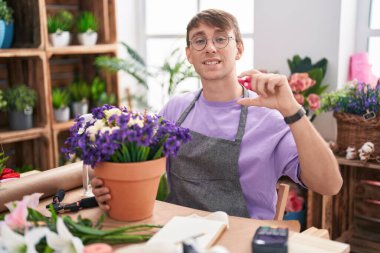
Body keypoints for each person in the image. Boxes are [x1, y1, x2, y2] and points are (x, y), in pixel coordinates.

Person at [91, 9, 342, 219]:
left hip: (242, 238)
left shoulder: (269, 117)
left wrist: (292, 110)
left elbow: (329, 185)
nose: (210, 47)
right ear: (189, 54)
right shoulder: (175, 108)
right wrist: (108, 186)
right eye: (199, 40)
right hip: (178, 232)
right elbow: (136, 165)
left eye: (221, 39)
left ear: (239, 49)